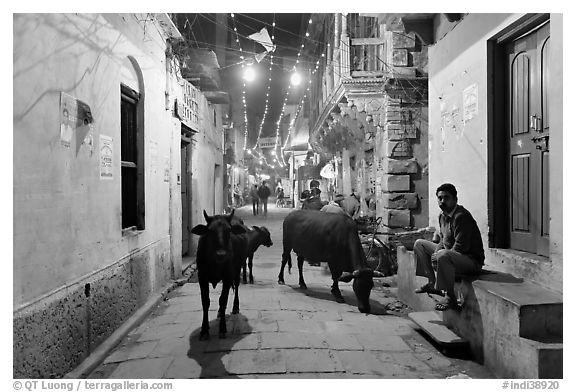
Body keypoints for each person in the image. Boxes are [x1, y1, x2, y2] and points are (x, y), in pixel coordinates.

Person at [413, 183, 484, 311]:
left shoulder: (461, 216)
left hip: (470, 260)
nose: (442, 201)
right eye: (440, 198)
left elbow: (461, 247)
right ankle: (431, 282)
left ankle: (450, 297)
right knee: (419, 244)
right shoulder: (442, 215)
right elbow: (443, 239)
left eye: (446, 198)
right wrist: (436, 253)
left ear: (455, 199)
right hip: (452, 255)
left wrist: (439, 257)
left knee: (443, 254)